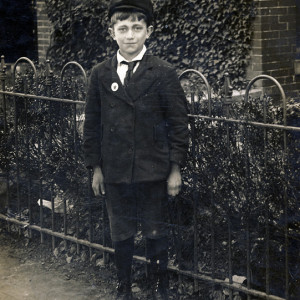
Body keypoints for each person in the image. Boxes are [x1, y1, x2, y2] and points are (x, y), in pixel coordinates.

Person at [83, 0, 189, 299]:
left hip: (152, 169)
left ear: (148, 32)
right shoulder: (100, 74)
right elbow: (91, 125)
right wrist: (96, 168)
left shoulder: (163, 72)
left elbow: (178, 124)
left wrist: (175, 168)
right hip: (115, 170)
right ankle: (124, 286)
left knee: (155, 231)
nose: (130, 36)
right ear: (112, 32)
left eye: (137, 28)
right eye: (123, 28)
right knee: (122, 232)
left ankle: (159, 288)